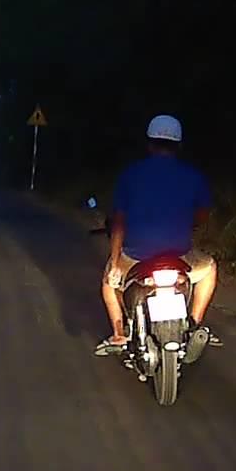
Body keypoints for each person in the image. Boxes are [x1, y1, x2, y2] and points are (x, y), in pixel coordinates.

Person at [95, 114, 221, 359]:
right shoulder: (193, 176)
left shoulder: (131, 174)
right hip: (179, 256)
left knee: (109, 284)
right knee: (209, 269)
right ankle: (194, 324)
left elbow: (119, 222)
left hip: (136, 256)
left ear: (149, 143)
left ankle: (119, 335)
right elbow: (203, 214)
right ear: (179, 145)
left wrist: (115, 260)